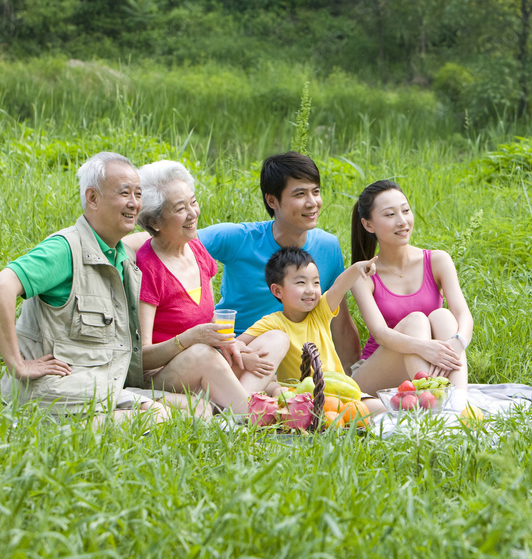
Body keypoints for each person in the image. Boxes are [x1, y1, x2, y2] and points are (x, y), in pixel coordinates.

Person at [0, 152, 173, 424]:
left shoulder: (121, 255)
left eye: (138, 194)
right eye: (124, 193)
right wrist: (17, 364)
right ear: (92, 198)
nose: (134, 204)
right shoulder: (64, 249)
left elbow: (155, 238)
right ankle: (59, 434)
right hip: (56, 388)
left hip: (98, 385)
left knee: (190, 406)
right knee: (158, 418)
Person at [131, 161, 288, 417]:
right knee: (202, 354)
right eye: (180, 208)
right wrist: (189, 339)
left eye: (193, 202)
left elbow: (211, 320)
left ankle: (234, 408)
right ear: (154, 221)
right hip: (163, 375)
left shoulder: (197, 250)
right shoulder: (147, 268)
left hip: (208, 362)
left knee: (276, 337)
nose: (193, 213)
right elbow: (141, 358)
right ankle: (251, 413)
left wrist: (238, 350)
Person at [196, 152, 362, 372]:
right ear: (272, 200)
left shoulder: (328, 246)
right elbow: (174, 241)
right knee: (275, 341)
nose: (312, 203)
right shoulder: (239, 238)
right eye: (300, 194)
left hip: (297, 361)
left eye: (316, 192)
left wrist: (351, 378)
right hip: (239, 356)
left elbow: (339, 322)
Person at [348, 180, 473, 393]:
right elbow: (380, 334)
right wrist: (426, 348)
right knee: (416, 321)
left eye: (405, 211)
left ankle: (457, 404)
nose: (402, 221)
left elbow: (463, 315)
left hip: (429, 362)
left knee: (442, 316)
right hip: (377, 373)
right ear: (368, 225)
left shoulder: (438, 260)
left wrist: (457, 344)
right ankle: (430, 404)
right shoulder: (364, 274)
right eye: (390, 215)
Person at [243, 247, 377, 382]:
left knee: (379, 404)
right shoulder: (273, 323)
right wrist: (245, 358)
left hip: (338, 390)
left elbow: (338, 287)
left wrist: (356, 268)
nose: (310, 290)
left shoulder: (320, 312)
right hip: (299, 396)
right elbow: (234, 345)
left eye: (316, 283)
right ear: (278, 291)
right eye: (301, 282)